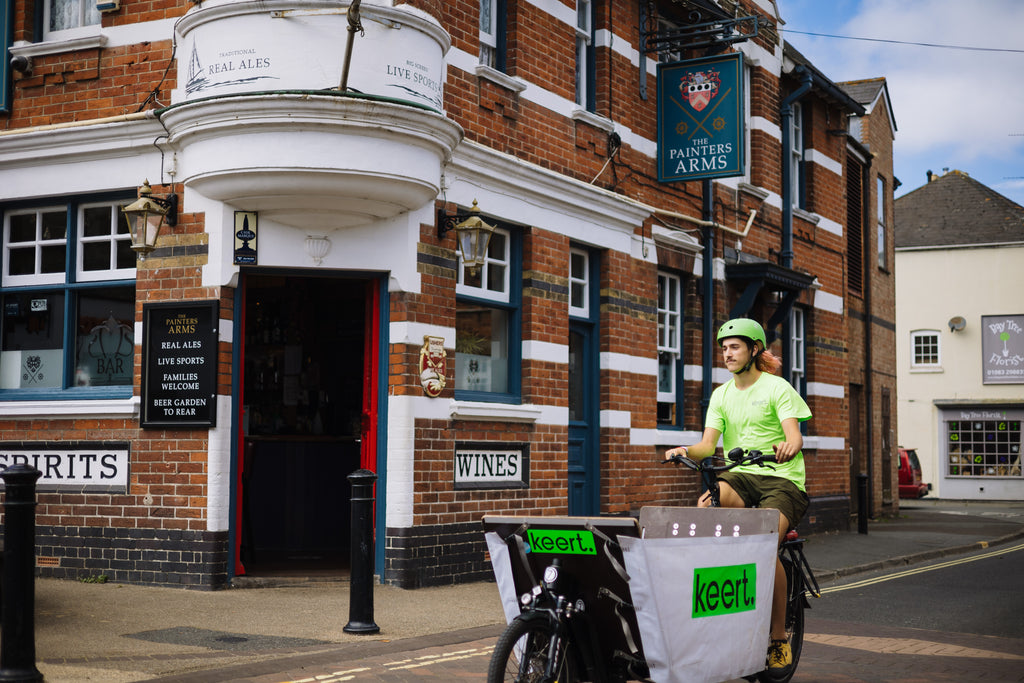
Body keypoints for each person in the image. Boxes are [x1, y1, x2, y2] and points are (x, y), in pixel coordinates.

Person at [665, 318, 811, 671]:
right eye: (725, 348)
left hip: (782, 480)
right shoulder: (722, 394)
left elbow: (795, 436)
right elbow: (706, 446)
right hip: (742, 477)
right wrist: (685, 449)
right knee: (702, 511)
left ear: (754, 350)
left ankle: (778, 639)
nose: (727, 354)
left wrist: (788, 447)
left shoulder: (777, 388)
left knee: (763, 544)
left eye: (735, 347)